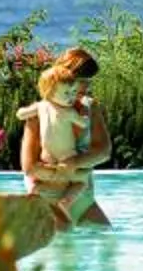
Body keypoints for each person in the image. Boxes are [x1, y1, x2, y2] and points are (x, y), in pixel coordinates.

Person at [18, 47, 112, 228]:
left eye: (89, 80)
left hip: (81, 195)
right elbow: (29, 167)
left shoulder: (89, 108)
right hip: (47, 196)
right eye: (82, 80)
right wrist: (61, 172)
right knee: (61, 250)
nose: (87, 87)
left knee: (107, 241)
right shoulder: (39, 112)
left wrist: (75, 163)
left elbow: (104, 151)